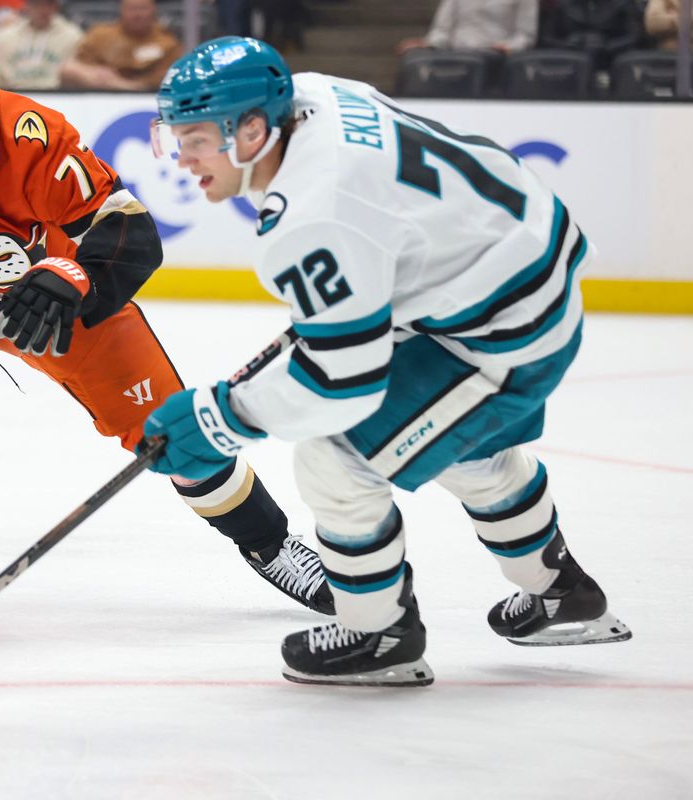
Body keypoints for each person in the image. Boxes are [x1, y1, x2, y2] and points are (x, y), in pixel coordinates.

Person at [0, 31, 334, 641]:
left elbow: (132, 233)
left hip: (55, 300)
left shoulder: (35, 135)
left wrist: (75, 276)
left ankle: (270, 544)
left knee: (170, 430)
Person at [144, 36, 632, 686]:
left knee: (334, 458)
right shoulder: (311, 91)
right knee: (466, 449)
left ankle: (379, 633)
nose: (182, 158)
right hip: (518, 267)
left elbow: (341, 380)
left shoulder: (312, 215)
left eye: (197, 138)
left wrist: (221, 417)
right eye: (176, 136)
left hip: (500, 330)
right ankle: (562, 593)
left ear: (253, 129)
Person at [60, 0, 180, 91]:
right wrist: (94, 72)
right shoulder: (101, 34)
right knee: (69, 68)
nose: (137, 15)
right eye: (132, 9)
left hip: (143, 91)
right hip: (100, 87)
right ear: (122, 10)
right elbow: (75, 65)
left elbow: (168, 76)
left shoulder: (167, 42)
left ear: (153, 11)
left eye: (143, 9)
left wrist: (124, 84)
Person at [0, 0, 83, 90]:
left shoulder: (72, 36)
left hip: (57, 95)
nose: (43, 9)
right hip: (14, 94)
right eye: (37, 4)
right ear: (27, 6)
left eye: (49, 4)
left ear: (56, 7)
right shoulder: (7, 36)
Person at [397, 0, 538, 56]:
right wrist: (427, 43)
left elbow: (525, 36)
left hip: (497, 57)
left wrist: (509, 47)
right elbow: (442, 30)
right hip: (456, 54)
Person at [539, 0, 643, 70]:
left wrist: (607, 46)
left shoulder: (623, 4)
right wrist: (568, 45)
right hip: (567, 65)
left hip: (612, 62)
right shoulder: (561, 4)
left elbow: (635, 37)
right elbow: (546, 38)